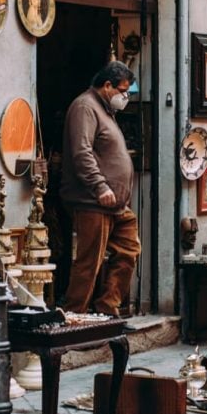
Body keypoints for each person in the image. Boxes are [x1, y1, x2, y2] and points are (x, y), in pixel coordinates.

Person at [60, 61, 141, 317]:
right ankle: (75, 316)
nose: (125, 97)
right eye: (123, 91)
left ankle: (107, 307)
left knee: (129, 250)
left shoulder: (105, 110)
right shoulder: (85, 107)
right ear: (107, 86)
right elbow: (81, 152)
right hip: (94, 201)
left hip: (117, 204)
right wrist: (100, 186)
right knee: (89, 262)